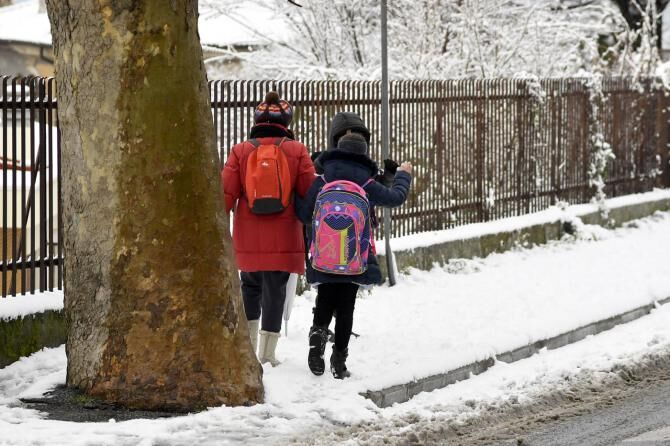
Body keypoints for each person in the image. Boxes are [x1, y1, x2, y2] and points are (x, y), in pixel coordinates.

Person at [297, 127, 413, 379]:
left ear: (337, 151)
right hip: (354, 257)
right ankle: (339, 363)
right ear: (364, 154)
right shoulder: (367, 182)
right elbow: (395, 198)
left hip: (323, 256)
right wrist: (403, 174)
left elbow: (304, 214)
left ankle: (316, 342)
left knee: (325, 300)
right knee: (346, 308)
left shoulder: (323, 179)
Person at [221, 91, 315, 366]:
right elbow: (308, 192)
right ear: (286, 121)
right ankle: (267, 353)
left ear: (256, 120)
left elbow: (226, 193)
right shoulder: (297, 150)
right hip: (284, 233)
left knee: (250, 286)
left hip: (248, 234)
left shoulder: (241, 150)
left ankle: (249, 348)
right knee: (276, 289)